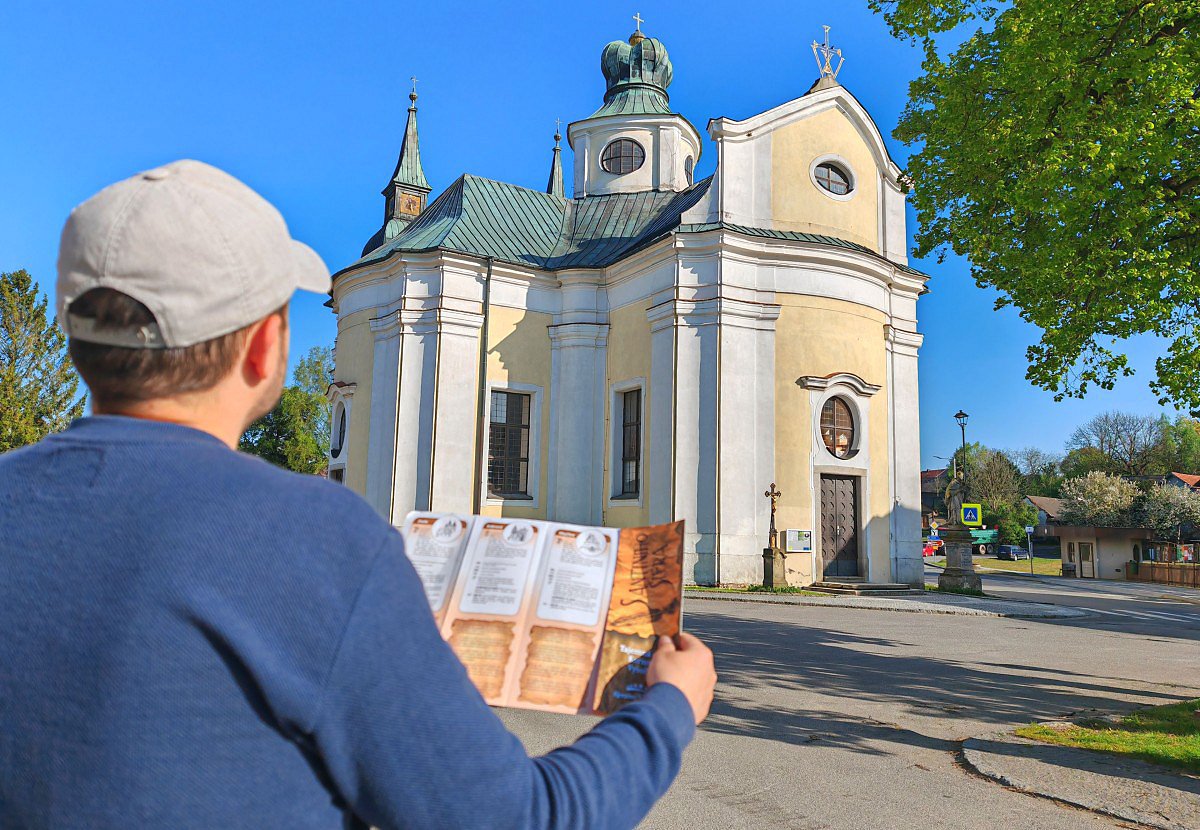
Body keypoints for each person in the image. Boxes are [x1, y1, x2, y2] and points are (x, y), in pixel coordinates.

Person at [0, 160, 717, 829]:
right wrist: (668, 709)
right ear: (263, 350)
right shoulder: (312, 539)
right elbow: (516, 817)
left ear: (78, 338)